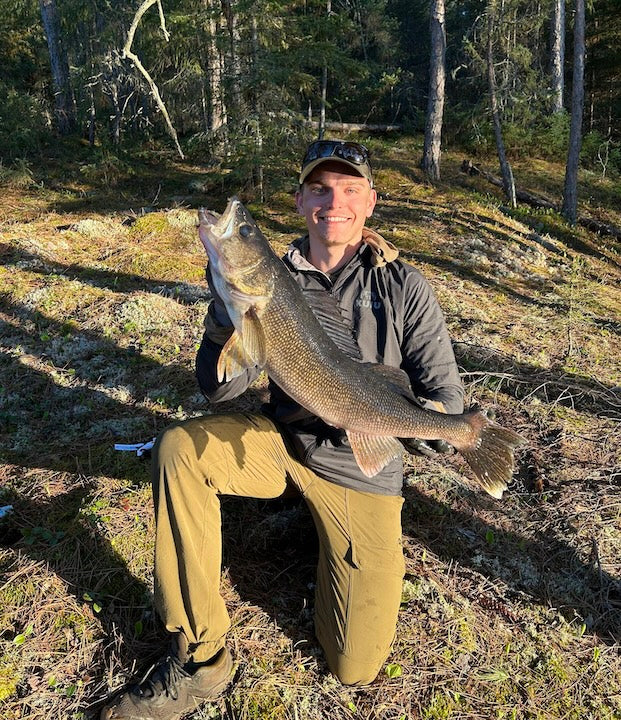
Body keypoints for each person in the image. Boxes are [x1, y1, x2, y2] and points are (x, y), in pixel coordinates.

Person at [100, 139, 464, 720]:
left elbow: (444, 396)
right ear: (299, 201)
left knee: (355, 666)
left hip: (357, 467)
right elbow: (219, 389)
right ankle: (200, 658)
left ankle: (317, 532)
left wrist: (431, 426)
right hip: (279, 442)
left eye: (349, 189)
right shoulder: (270, 278)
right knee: (179, 449)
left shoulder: (402, 286)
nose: (333, 201)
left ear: (370, 201)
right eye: (319, 188)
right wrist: (230, 309)